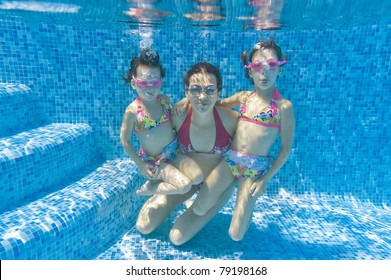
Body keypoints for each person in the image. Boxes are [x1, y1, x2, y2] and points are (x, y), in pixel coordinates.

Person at [190, 37, 295, 241]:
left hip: (254, 170)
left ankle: (247, 212)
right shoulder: (243, 97)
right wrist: (190, 101)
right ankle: (227, 191)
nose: (264, 72)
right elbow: (215, 104)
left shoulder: (284, 107)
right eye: (258, 66)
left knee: (236, 235)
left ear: (280, 68)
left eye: (271, 65)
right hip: (229, 161)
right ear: (250, 70)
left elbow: (285, 149)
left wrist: (265, 180)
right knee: (200, 207)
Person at [136, 62, 238, 245]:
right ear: (186, 92)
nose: (202, 96)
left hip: (216, 187)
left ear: (218, 92)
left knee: (177, 238)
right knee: (144, 226)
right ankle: (165, 198)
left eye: (209, 90)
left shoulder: (231, 120)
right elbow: (156, 140)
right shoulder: (178, 116)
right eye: (195, 89)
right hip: (188, 180)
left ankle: (205, 203)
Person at [120, 48, 202, 196]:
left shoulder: (164, 100)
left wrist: (186, 99)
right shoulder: (132, 111)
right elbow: (124, 140)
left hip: (174, 153)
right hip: (156, 162)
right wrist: (140, 164)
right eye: (144, 83)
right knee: (184, 186)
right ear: (133, 83)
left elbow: (176, 116)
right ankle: (151, 188)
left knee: (198, 176)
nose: (150, 89)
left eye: (155, 83)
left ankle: (162, 182)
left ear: (161, 81)